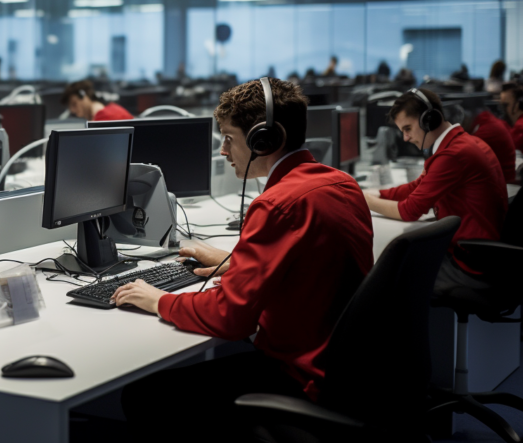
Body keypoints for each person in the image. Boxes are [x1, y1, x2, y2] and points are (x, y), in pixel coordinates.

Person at [115, 78, 374, 439]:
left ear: (265, 140)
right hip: (348, 369)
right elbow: (310, 265)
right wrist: (237, 261)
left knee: (146, 396)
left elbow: (230, 318)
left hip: (301, 376)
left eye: (229, 138)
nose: (222, 150)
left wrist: (161, 300)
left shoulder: (276, 205)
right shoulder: (341, 184)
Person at [364, 89, 507, 300]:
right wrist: (375, 193)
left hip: (471, 265)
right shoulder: (461, 143)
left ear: (429, 120)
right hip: (483, 255)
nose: (405, 138)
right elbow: (416, 187)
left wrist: (365, 201)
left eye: (408, 128)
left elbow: (409, 211)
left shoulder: (453, 155)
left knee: (391, 276)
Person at [462, 106, 517, 183]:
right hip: (502, 178)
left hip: (504, 181)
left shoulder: (486, 131)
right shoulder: (488, 121)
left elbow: (463, 156)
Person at [60, 79, 133, 121]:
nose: (72, 110)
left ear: (84, 96)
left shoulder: (102, 117)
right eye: (70, 107)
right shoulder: (102, 112)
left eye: (74, 104)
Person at [501, 82, 523, 158]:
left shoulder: (522, 126)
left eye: (505, 105)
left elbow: (507, 147)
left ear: (516, 105)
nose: (503, 109)